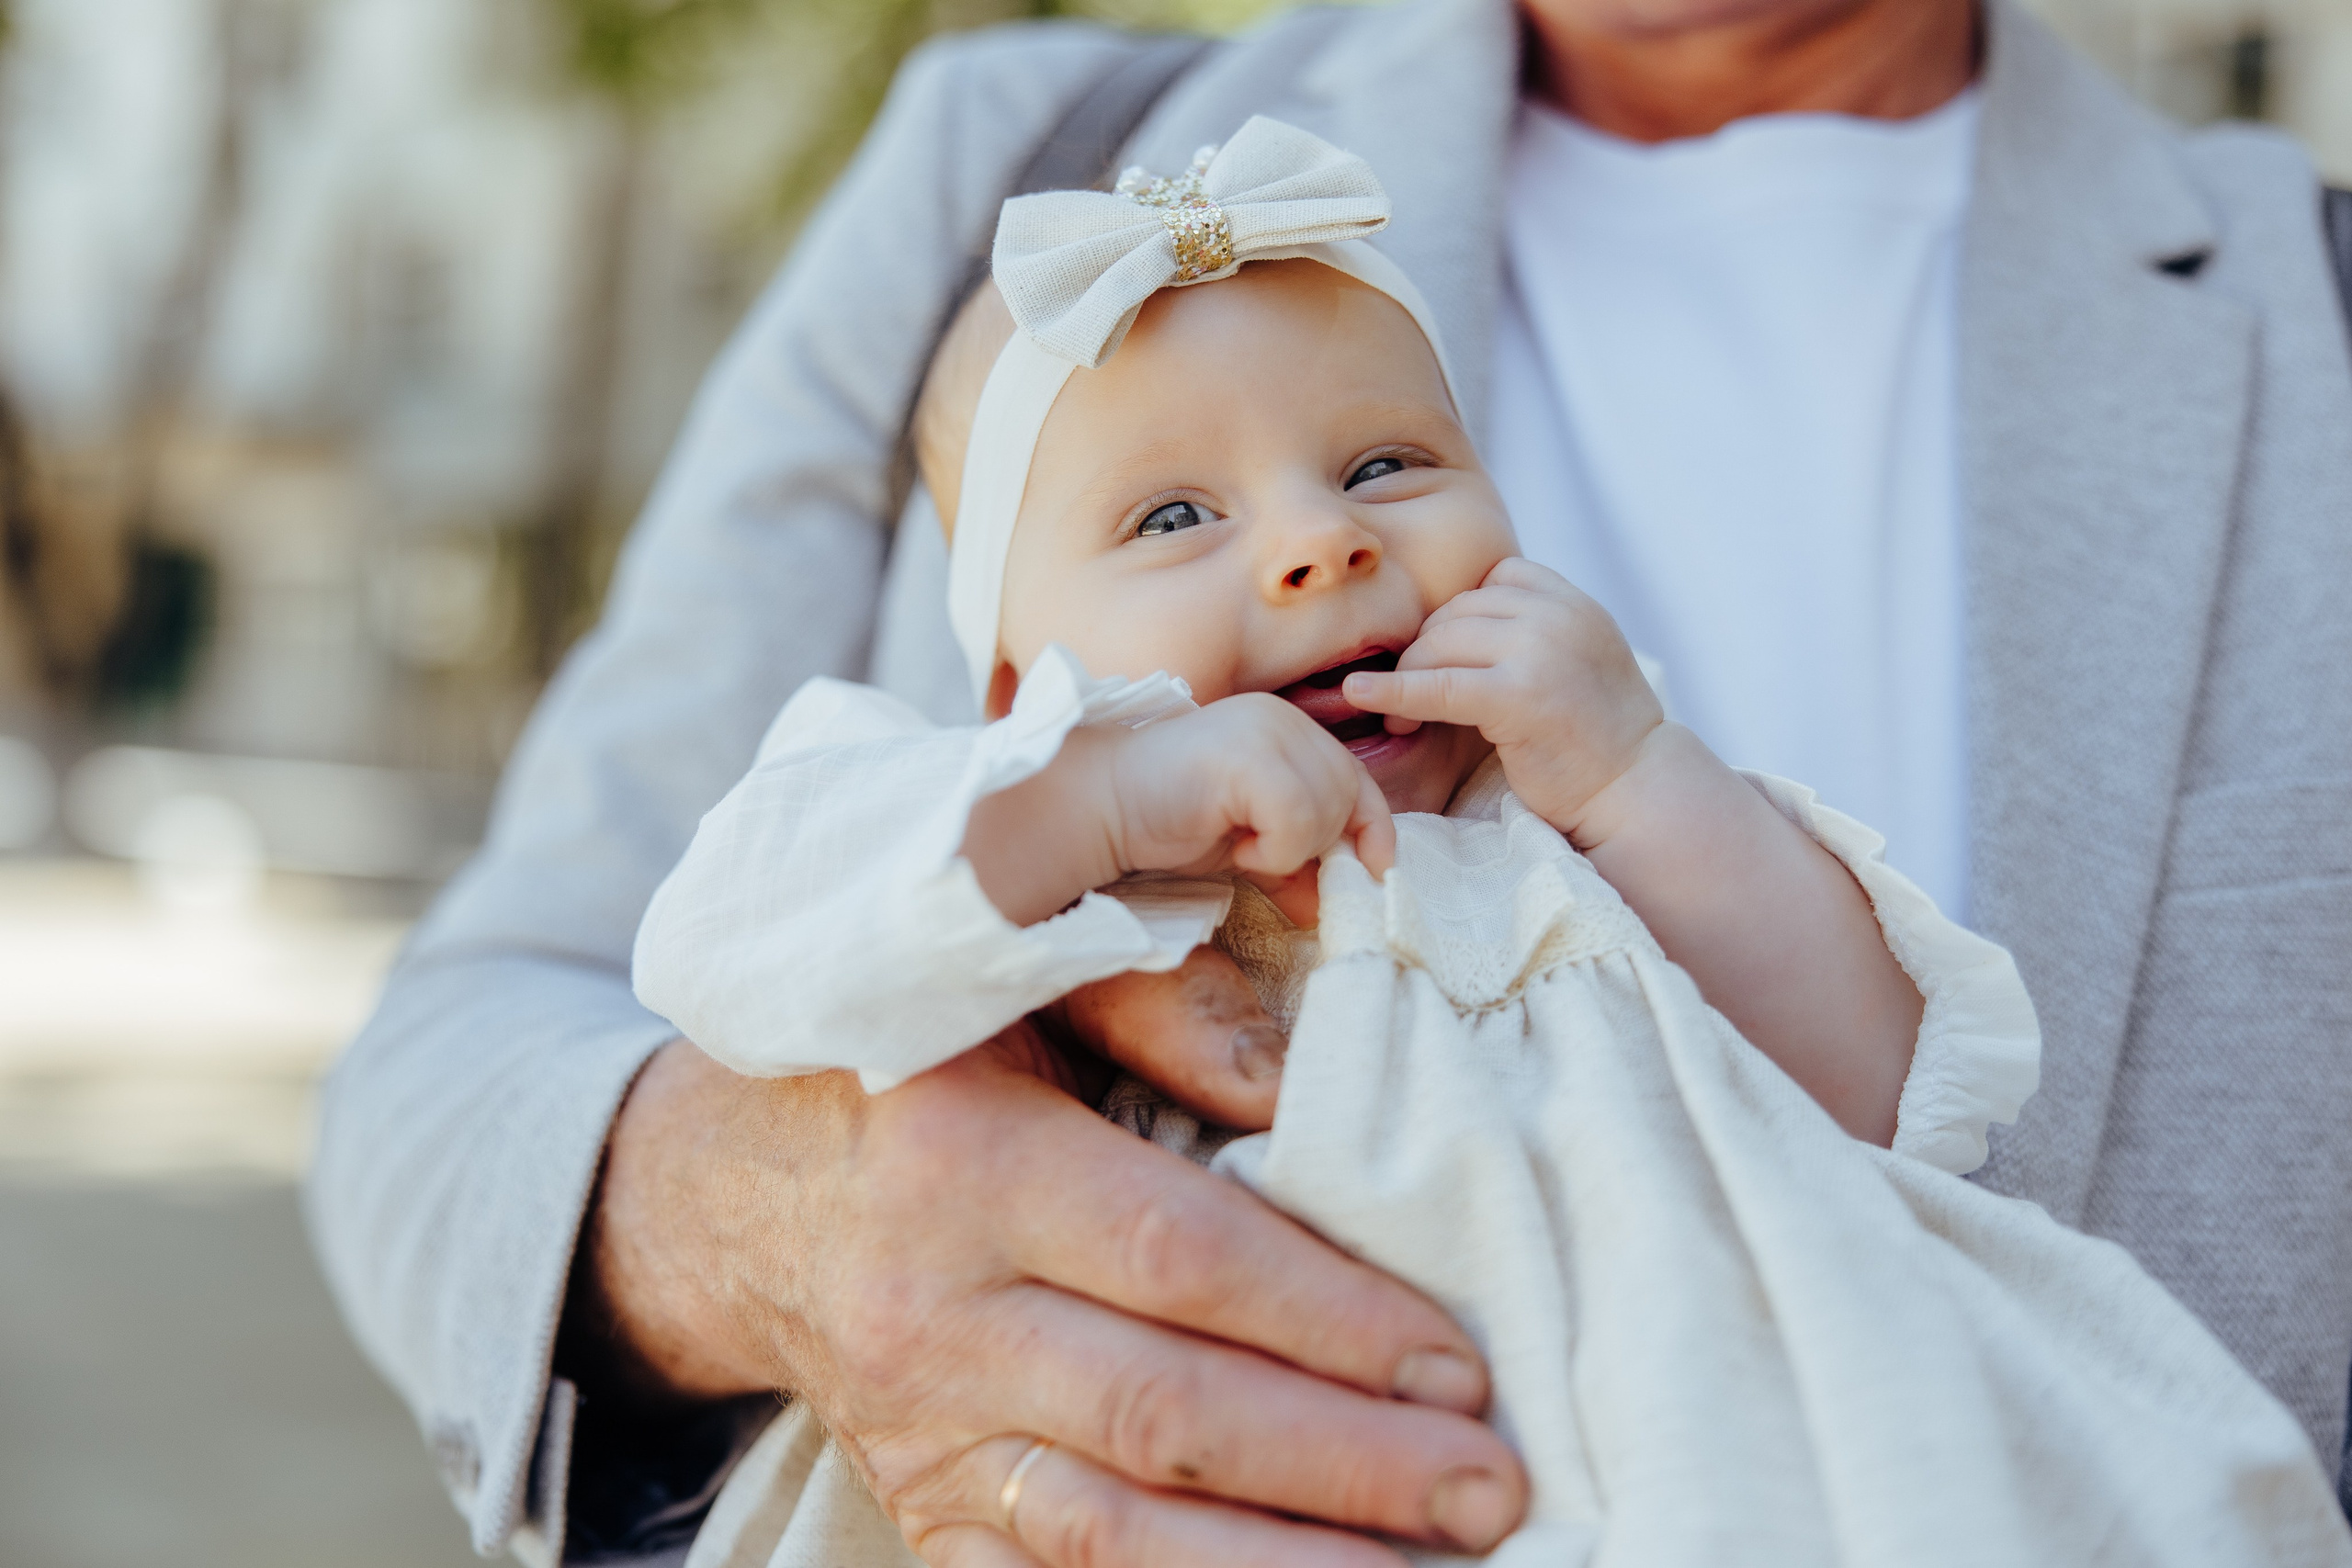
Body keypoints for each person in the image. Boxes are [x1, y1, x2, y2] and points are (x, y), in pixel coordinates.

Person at [305, 0, 2352, 1563]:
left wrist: (1639, 776)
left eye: (1383, 469)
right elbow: (545, 999)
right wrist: (779, 1201)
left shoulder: (2306, 304)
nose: (1313, 550)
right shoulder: (1022, 182)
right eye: (1179, 514)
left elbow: (1898, 1079)